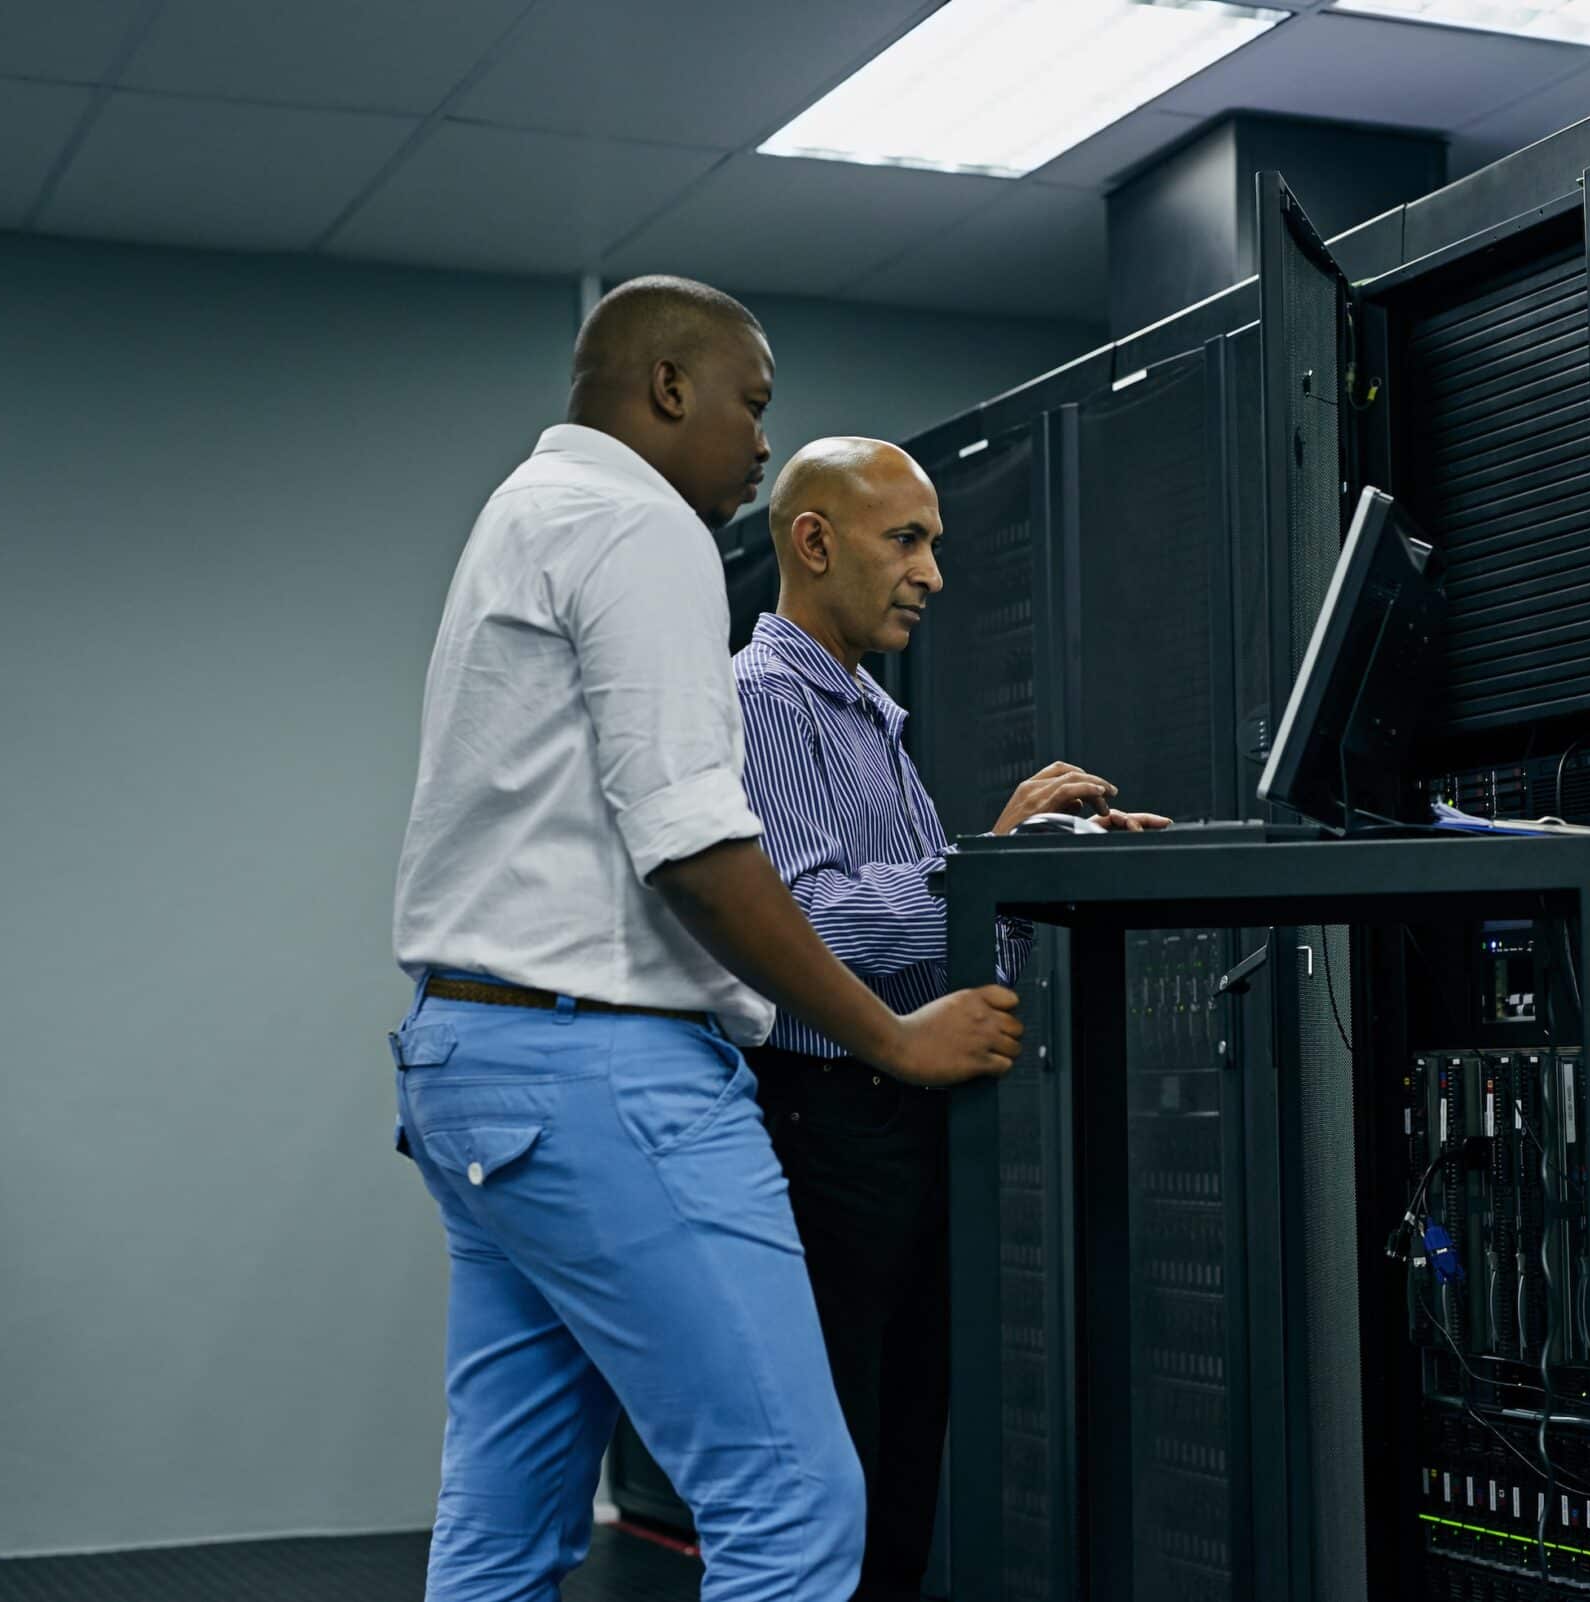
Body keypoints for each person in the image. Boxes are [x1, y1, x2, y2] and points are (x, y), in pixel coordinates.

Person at [388, 283, 1023, 1602]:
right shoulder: (641, 525)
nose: (752, 441)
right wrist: (890, 1036)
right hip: (605, 1072)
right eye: (752, 404)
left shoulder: (519, 513)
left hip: (468, 1063)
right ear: (670, 388)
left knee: (503, 1531)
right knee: (794, 1503)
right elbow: (695, 846)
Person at [732, 437, 1169, 1600]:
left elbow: (937, 933)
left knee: (902, 1460)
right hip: (825, 1129)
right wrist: (977, 861)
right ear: (815, 543)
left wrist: (1041, 870)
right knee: (840, 1467)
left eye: (934, 542)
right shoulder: (769, 701)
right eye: (907, 540)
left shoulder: (870, 713)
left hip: (897, 1122)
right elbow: (808, 924)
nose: (932, 571)